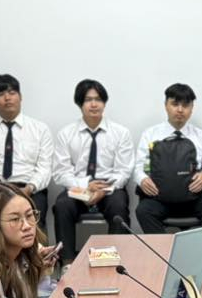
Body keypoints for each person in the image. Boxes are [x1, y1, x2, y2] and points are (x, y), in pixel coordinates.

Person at [49, 79, 137, 259]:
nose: (94, 104)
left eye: (98, 99)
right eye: (88, 100)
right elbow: (60, 172)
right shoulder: (66, 134)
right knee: (62, 205)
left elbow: (123, 171)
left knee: (118, 205)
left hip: (110, 187)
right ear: (80, 103)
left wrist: (102, 190)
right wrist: (86, 187)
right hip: (78, 187)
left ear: (104, 102)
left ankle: (115, 261)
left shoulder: (120, 133)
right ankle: (67, 262)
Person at [135, 83, 202, 235]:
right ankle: (163, 250)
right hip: (161, 197)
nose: (180, 109)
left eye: (185, 105)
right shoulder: (150, 134)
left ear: (192, 108)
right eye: (175, 104)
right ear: (166, 105)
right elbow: (138, 166)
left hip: (194, 197)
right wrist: (142, 179)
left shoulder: (201, 136)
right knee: (143, 211)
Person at [0, 74, 57, 220]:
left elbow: (44, 168)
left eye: (12, 93)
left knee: (34, 225)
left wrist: (29, 188)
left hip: (31, 189)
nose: (7, 98)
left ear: (20, 96)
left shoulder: (40, 129)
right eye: (0, 94)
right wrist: (2, 191)